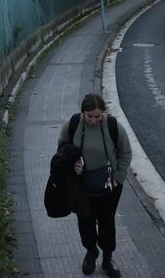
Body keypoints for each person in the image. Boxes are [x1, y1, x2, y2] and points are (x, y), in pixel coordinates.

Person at [57, 93, 131, 277]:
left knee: (107, 221)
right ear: (83, 113)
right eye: (90, 116)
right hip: (81, 185)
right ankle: (91, 251)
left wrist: (118, 178)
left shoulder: (113, 126)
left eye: (98, 116)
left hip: (109, 184)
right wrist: (72, 163)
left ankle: (108, 258)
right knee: (85, 220)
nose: (93, 120)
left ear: (103, 113)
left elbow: (125, 153)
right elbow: (61, 147)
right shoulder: (73, 124)